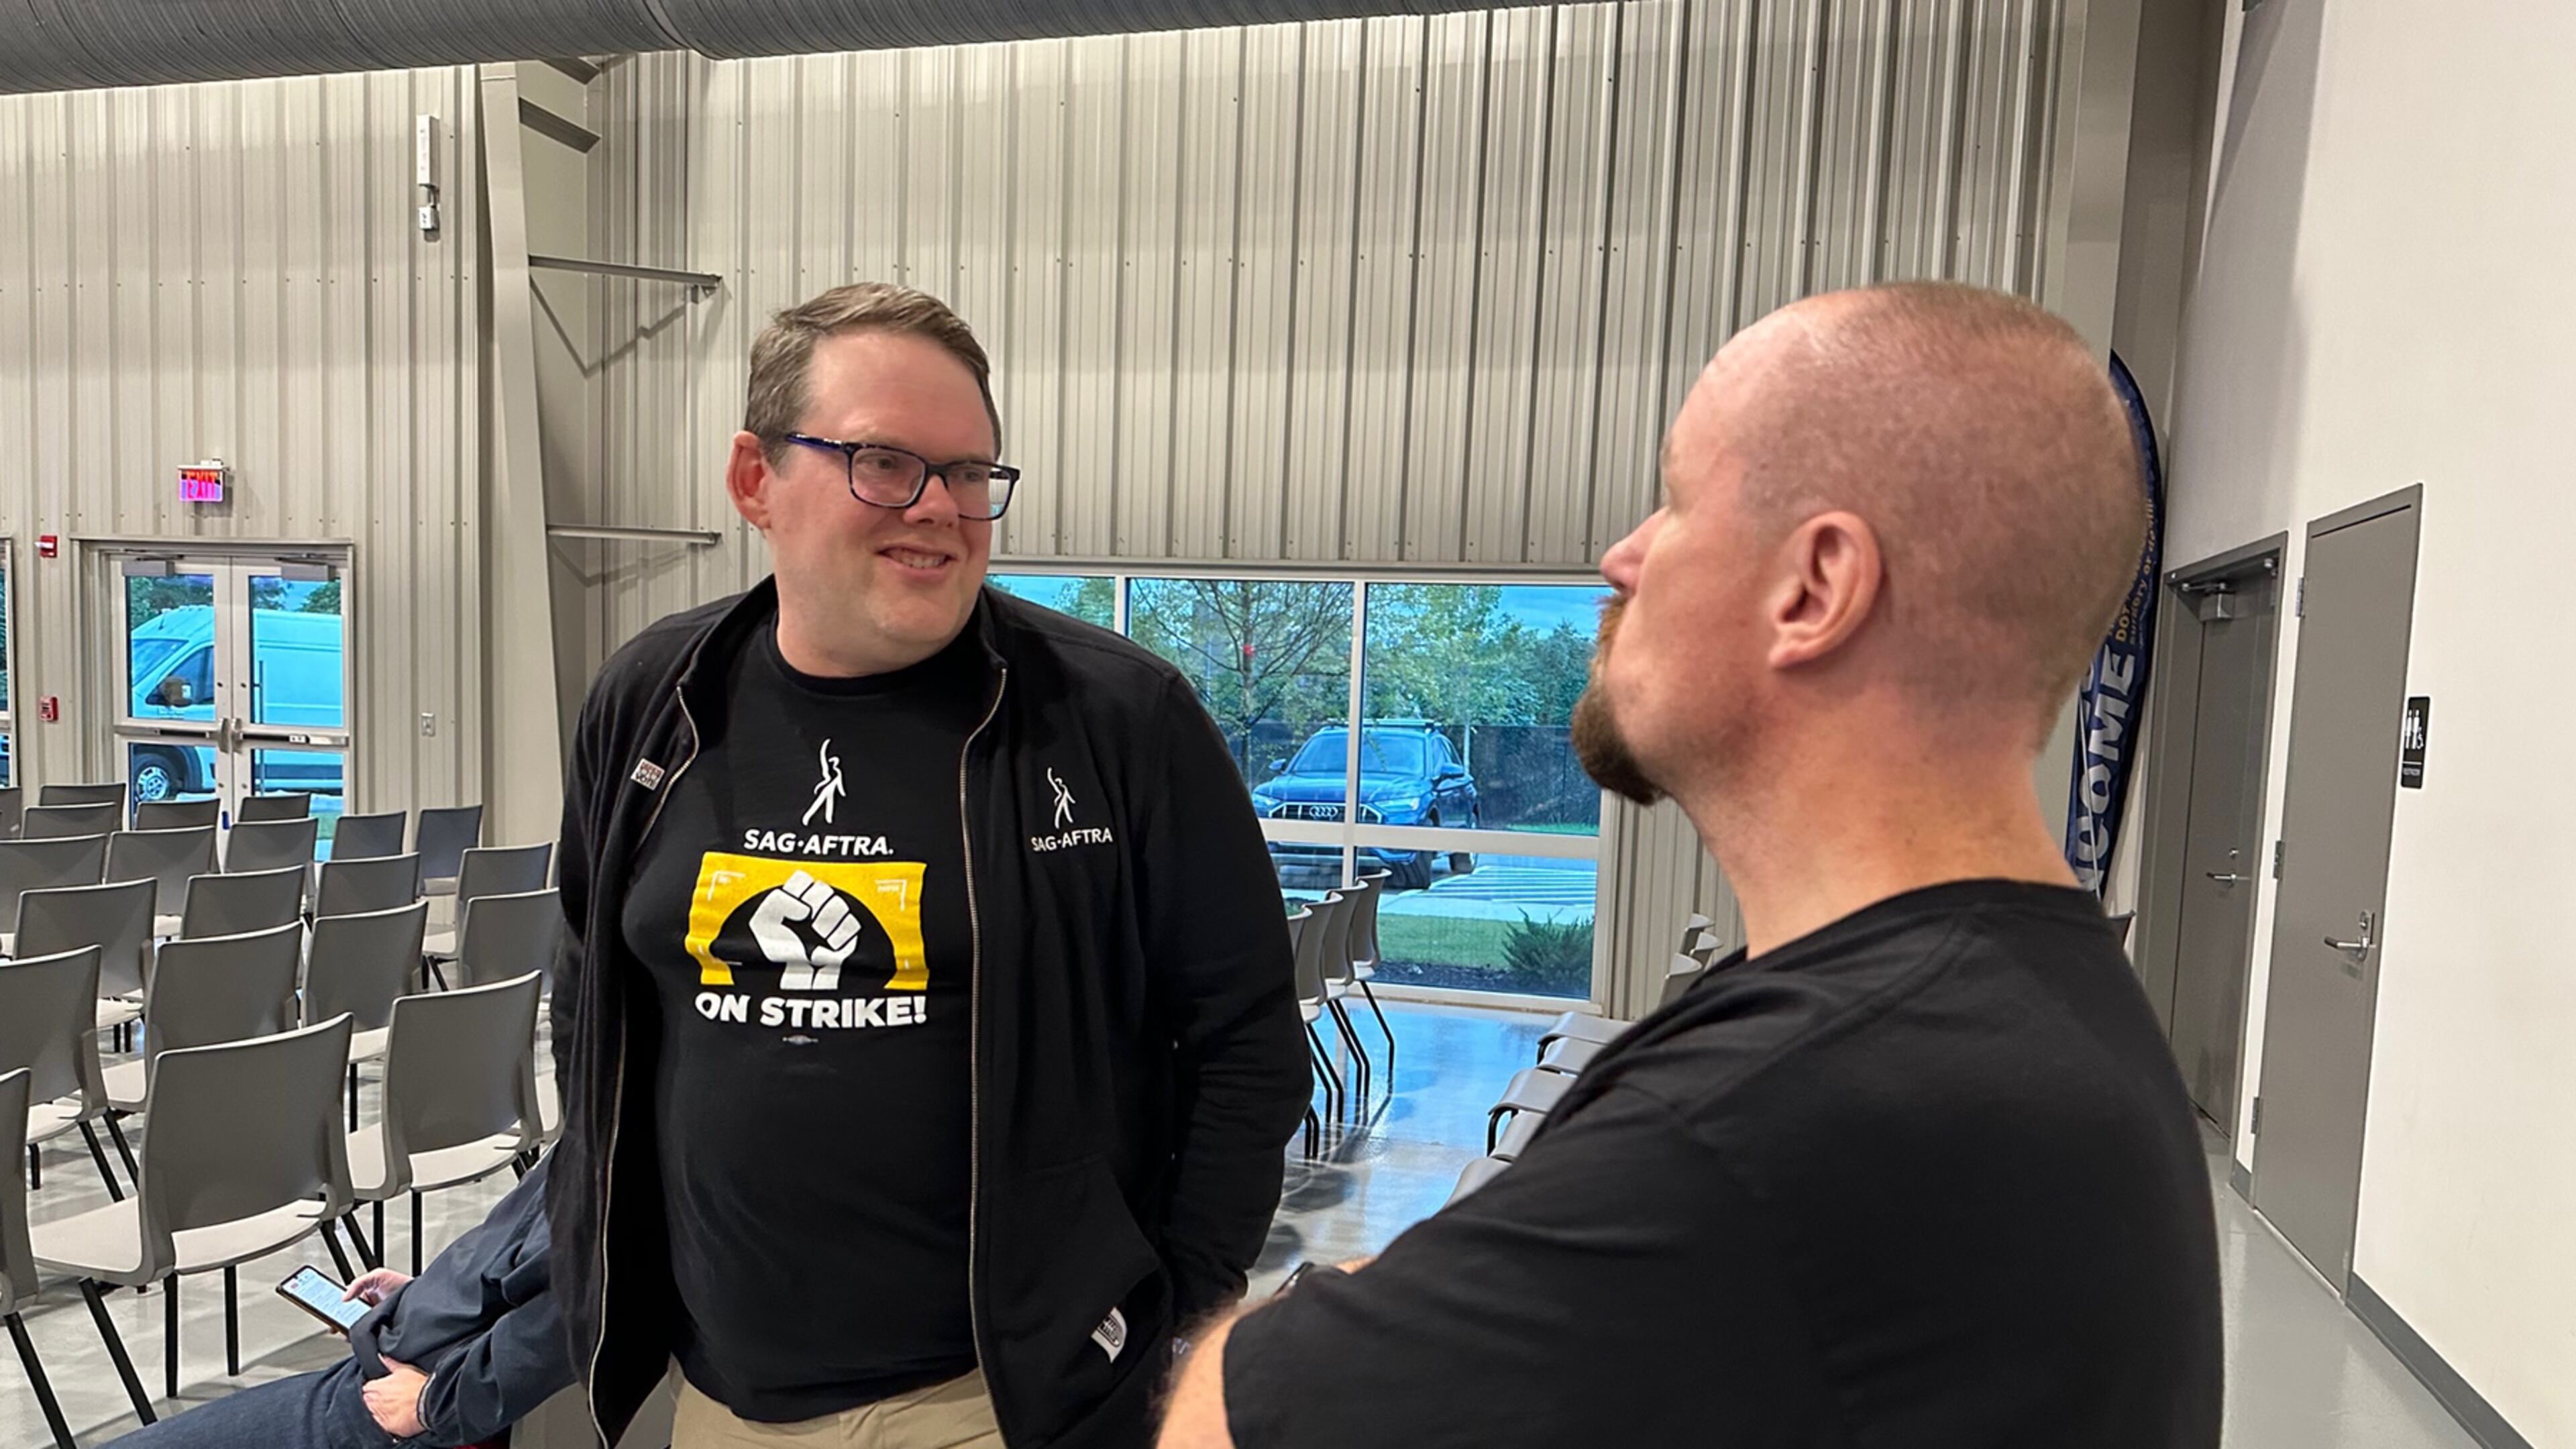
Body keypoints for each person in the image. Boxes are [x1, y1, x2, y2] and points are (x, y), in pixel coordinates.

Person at [1159, 282, 2225, 1447]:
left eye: (1674, 502)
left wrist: (1303, 1319)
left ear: (1815, 589)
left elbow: (1225, 1424)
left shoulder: (1769, 1126)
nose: (1620, 557)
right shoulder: (2037, 1006)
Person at [550, 282, 1309, 1449]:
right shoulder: (656, 698)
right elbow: (588, 996)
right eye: (885, 463)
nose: (940, 508)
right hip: (720, 1395)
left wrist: (1171, 1326)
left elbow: (1245, 1042)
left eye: (967, 472)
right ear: (755, 480)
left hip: (997, 1403)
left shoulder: (1114, 719)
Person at [109, 1159, 563, 1449]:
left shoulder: (597, 1168)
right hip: (403, 1370)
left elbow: (561, 1327)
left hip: (398, 1405)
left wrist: (430, 1405)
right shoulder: (590, 1139)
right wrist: (426, 1296)